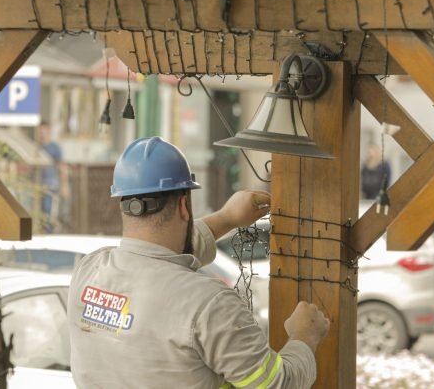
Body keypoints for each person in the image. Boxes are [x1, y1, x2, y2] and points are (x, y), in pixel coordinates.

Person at [69, 136, 329, 388]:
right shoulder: (210, 304)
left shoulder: (88, 270)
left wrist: (227, 218)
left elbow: (158, 258)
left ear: (125, 204)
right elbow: (277, 384)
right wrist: (304, 336)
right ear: (184, 205)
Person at [38, 123, 68, 232]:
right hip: (38, 183)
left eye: (43, 131)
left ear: (49, 131)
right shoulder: (37, 147)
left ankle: (49, 231)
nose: (41, 134)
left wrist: (64, 185)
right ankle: (42, 229)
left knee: (49, 209)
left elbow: (62, 166)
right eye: (40, 131)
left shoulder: (54, 148)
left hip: (51, 184)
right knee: (40, 210)